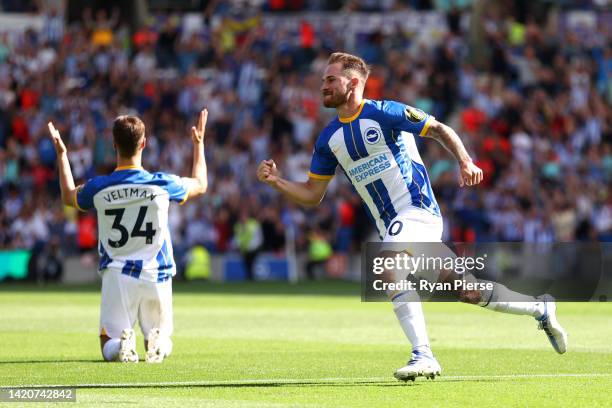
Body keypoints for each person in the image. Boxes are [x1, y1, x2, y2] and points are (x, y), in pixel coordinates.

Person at [257, 52, 567, 381]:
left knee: (387, 265)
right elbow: (312, 193)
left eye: (330, 80)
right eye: (323, 81)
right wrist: (276, 181)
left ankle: (424, 354)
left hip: (417, 210)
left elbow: (438, 129)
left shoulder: (385, 112)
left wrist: (465, 161)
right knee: (467, 290)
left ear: (354, 83)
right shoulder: (328, 139)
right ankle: (540, 308)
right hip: (395, 226)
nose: (323, 86)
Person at [48, 109, 209, 363]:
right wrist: (198, 145)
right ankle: (158, 344)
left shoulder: (99, 187)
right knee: (160, 338)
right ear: (144, 143)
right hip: (157, 273)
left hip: (117, 274)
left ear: (114, 145)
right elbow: (200, 184)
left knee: (108, 344)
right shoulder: (162, 184)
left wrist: (62, 155)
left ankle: (122, 345)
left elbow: (68, 196)